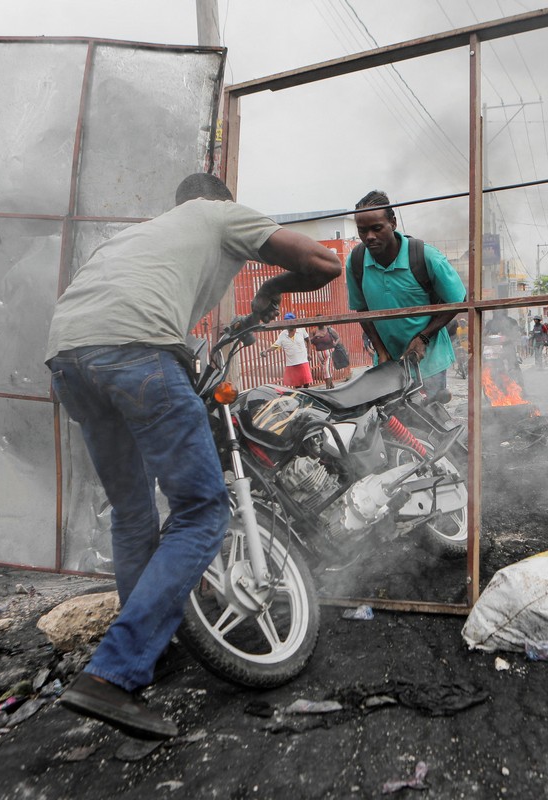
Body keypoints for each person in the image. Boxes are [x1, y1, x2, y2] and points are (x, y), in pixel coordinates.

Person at [44, 172, 340, 740]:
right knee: (202, 511)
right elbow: (324, 263)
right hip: (136, 354)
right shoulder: (218, 215)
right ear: (217, 202)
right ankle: (111, 674)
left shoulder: (138, 237)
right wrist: (273, 290)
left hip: (68, 359)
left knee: (133, 514)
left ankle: (135, 665)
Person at [348, 190, 466, 402]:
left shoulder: (425, 257)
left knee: (428, 424)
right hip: (388, 365)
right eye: (362, 230)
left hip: (429, 362)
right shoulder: (356, 261)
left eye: (376, 228)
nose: (369, 237)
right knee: (395, 427)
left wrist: (423, 338)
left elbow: (458, 300)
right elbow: (362, 310)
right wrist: (380, 350)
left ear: (392, 223)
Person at [272, 313, 313, 388]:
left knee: (306, 384)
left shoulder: (301, 330)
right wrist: (266, 351)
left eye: (290, 322)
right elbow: (276, 345)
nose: (288, 324)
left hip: (303, 361)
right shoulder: (283, 334)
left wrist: (309, 353)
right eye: (287, 322)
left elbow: (308, 340)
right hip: (292, 363)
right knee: (297, 386)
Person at [307, 322, 341, 388]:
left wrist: (335, 343)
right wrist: (315, 336)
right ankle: (331, 385)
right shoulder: (314, 331)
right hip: (319, 353)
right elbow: (309, 341)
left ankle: (327, 387)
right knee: (324, 370)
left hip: (329, 352)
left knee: (327, 369)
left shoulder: (329, 329)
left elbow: (338, 337)